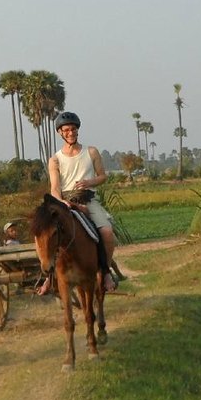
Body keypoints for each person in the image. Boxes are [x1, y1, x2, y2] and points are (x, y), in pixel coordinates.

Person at [47, 110, 120, 293]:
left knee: (107, 232)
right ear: (60, 133)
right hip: (65, 202)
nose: (70, 133)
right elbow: (55, 187)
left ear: (77, 130)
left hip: (88, 200)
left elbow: (103, 176)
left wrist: (89, 182)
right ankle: (48, 277)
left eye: (73, 129)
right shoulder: (55, 159)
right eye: (66, 130)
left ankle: (105, 271)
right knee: (47, 234)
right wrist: (61, 202)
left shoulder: (91, 152)